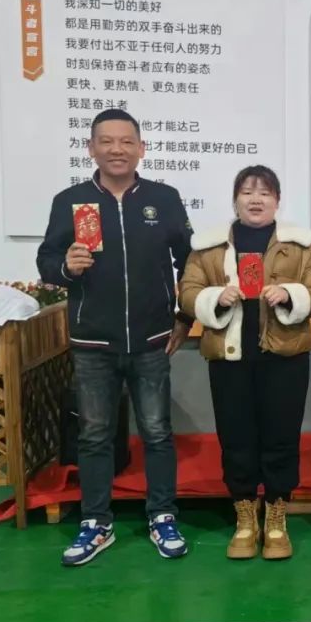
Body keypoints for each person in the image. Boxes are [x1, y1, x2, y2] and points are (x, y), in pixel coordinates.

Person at [36, 108, 193, 566]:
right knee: (94, 435)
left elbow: (189, 260)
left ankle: (162, 515)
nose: (117, 149)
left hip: (152, 340)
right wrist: (67, 267)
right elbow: (47, 261)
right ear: (91, 148)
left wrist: (185, 316)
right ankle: (96, 522)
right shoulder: (70, 201)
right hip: (93, 343)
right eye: (106, 141)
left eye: (126, 141)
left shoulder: (164, 199)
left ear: (141, 148)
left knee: (158, 432)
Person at [179, 165, 311, 561]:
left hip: (285, 356)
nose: (256, 199)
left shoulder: (301, 244)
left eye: (265, 193)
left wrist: (291, 294)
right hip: (229, 357)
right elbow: (187, 291)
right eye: (247, 192)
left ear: (277, 201)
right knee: (236, 437)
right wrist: (215, 297)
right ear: (235, 200)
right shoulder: (208, 246)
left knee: (282, 436)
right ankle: (245, 516)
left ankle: (277, 516)